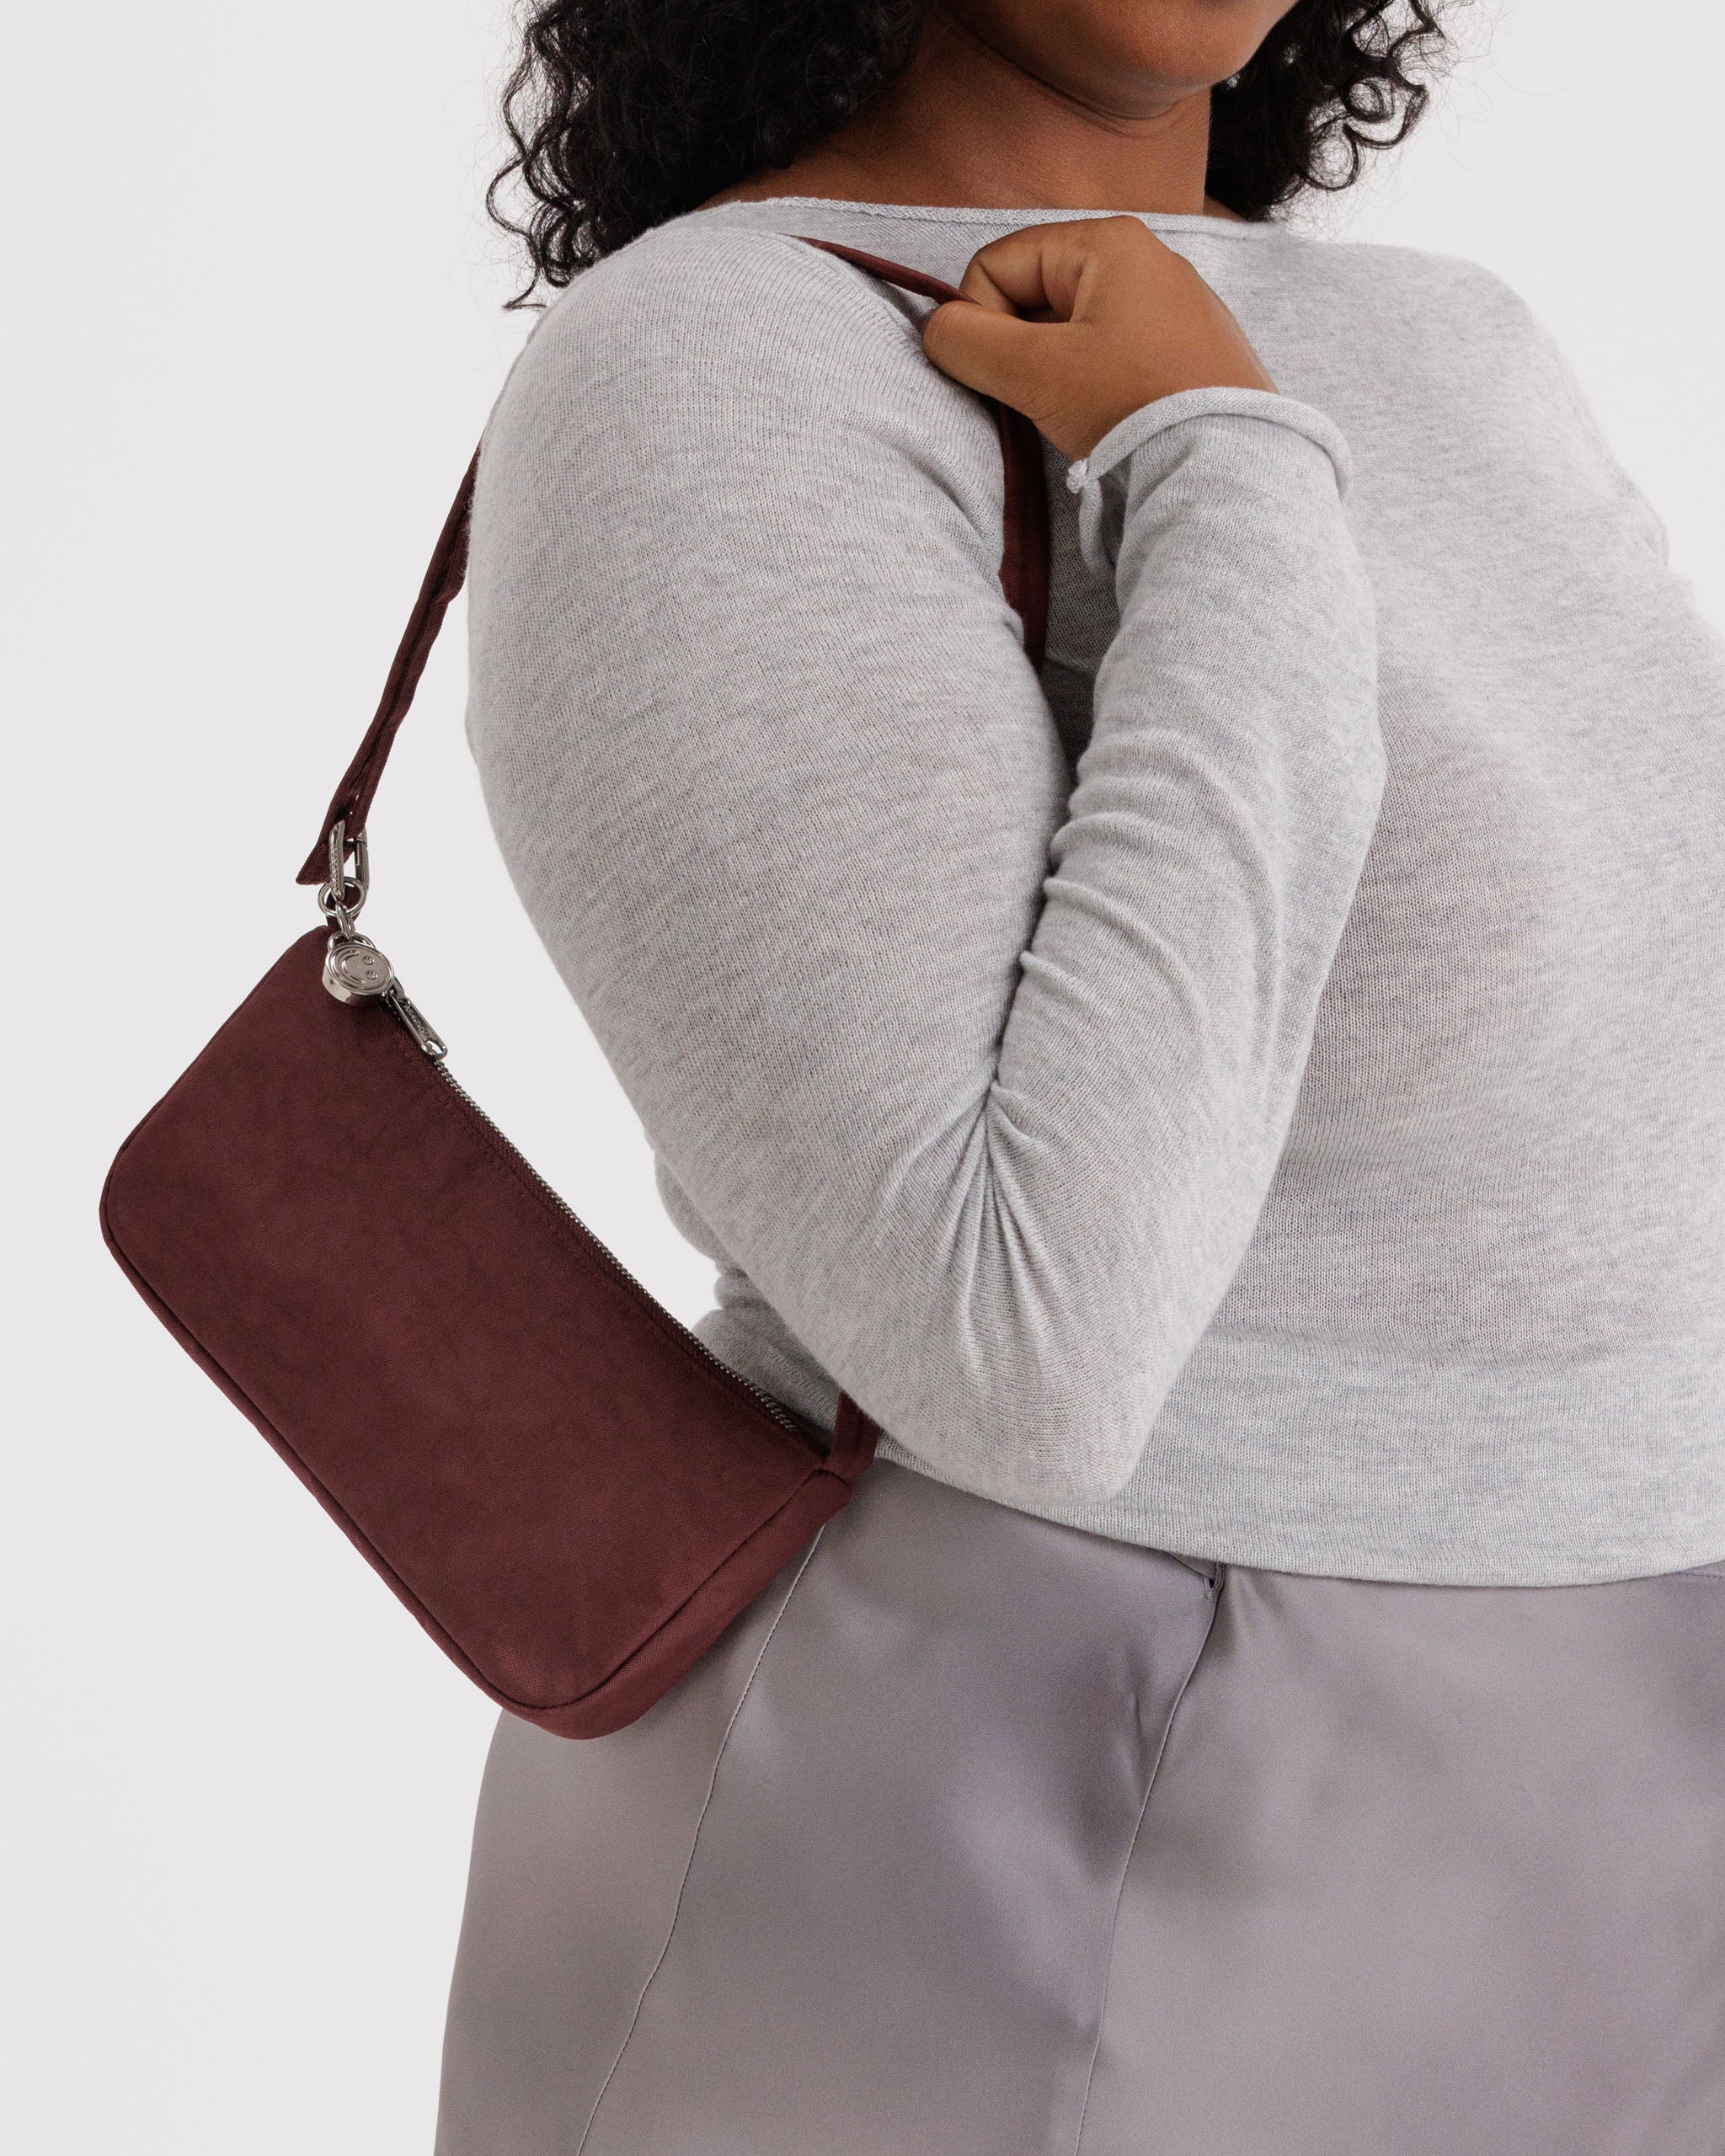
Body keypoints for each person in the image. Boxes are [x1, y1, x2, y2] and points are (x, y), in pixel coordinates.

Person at [434, 3, 1725, 2148]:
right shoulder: (719, 362)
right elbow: (1013, 1336)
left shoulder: (1458, 335)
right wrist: (1218, 465)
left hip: (1619, 1817)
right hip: (1035, 1824)